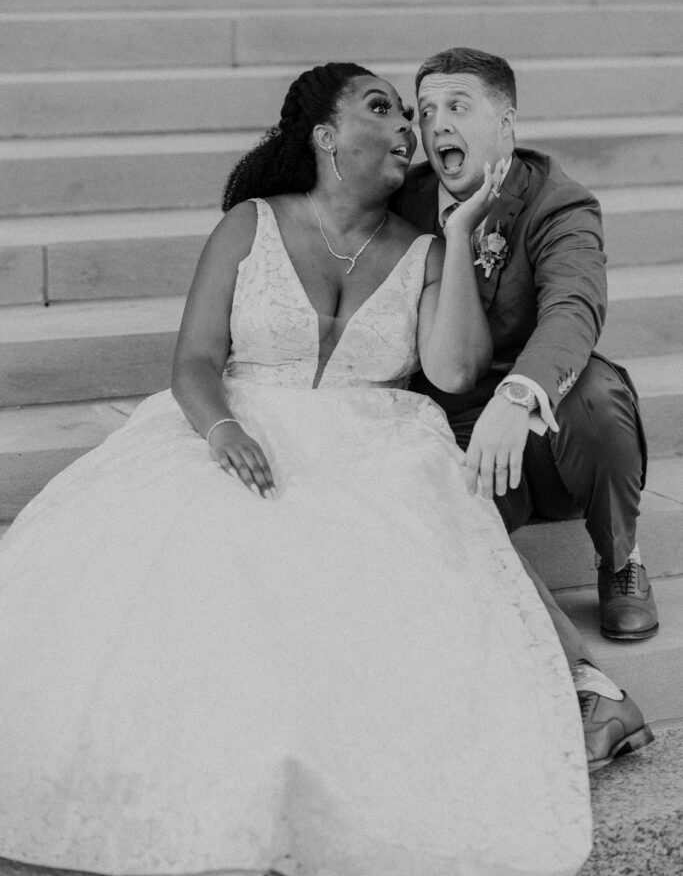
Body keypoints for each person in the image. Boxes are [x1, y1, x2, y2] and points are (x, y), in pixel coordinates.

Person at [0, 62, 594, 876]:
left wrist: (456, 240)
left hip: (375, 447)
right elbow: (195, 361)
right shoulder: (250, 224)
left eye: (410, 116)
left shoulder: (421, 246)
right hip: (236, 427)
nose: (407, 130)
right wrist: (220, 431)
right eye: (383, 110)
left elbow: (453, 372)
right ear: (324, 137)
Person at [392, 45, 657, 764]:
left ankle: (619, 556)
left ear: (505, 124)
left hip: (548, 406)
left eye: (456, 107)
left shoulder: (555, 199)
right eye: (424, 112)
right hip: (452, 418)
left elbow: (573, 307)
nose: (434, 123)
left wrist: (519, 391)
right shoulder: (405, 201)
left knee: (601, 394)